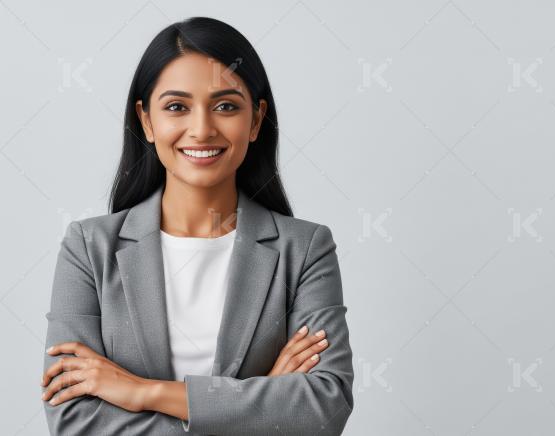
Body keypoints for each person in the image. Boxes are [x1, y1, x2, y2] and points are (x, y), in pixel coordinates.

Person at [39, 16, 354, 435]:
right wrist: (260, 403)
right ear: (147, 121)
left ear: (256, 120)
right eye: (176, 107)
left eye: (226, 106)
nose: (202, 129)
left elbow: (323, 409)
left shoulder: (306, 248)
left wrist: (142, 392)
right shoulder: (88, 248)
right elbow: (74, 421)